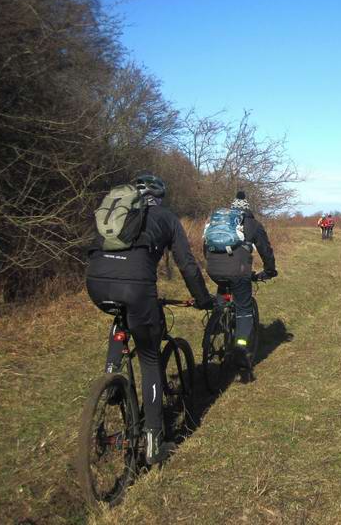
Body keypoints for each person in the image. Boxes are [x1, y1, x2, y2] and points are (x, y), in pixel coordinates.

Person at [86, 171, 214, 465]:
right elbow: (187, 264)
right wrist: (203, 299)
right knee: (150, 358)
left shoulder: (117, 212)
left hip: (95, 281)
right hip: (136, 286)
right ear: (159, 196)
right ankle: (154, 440)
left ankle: (112, 380)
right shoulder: (167, 218)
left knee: (121, 318)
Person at [204, 191, 277, 378]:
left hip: (213, 269)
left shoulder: (217, 222)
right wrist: (269, 270)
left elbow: (206, 247)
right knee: (244, 309)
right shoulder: (252, 224)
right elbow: (265, 250)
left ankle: (215, 328)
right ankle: (240, 346)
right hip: (239, 271)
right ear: (247, 209)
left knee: (222, 300)